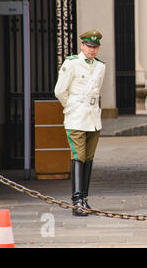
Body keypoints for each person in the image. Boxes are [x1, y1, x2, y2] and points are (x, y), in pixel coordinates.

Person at [54, 30, 106, 216]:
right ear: (82, 46)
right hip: (76, 116)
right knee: (79, 155)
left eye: (95, 47)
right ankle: (77, 201)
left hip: (92, 118)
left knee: (88, 158)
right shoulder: (72, 63)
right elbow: (60, 90)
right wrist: (70, 106)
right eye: (89, 46)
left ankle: (84, 198)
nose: (92, 50)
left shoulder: (100, 67)